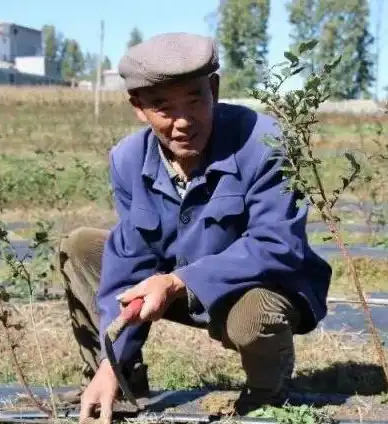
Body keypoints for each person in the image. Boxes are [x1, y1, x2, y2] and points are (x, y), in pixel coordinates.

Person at [57, 32, 332, 423]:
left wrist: (175, 282)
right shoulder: (128, 159)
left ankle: (267, 395)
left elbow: (277, 246)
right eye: (163, 108)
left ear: (214, 89)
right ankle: (116, 381)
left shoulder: (263, 142)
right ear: (138, 108)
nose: (183, 122)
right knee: (83, 245)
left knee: (256, 314)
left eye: (195, 99)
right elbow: (130, 262)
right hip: (175, 286)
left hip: (257, 288)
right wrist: (110, 359)